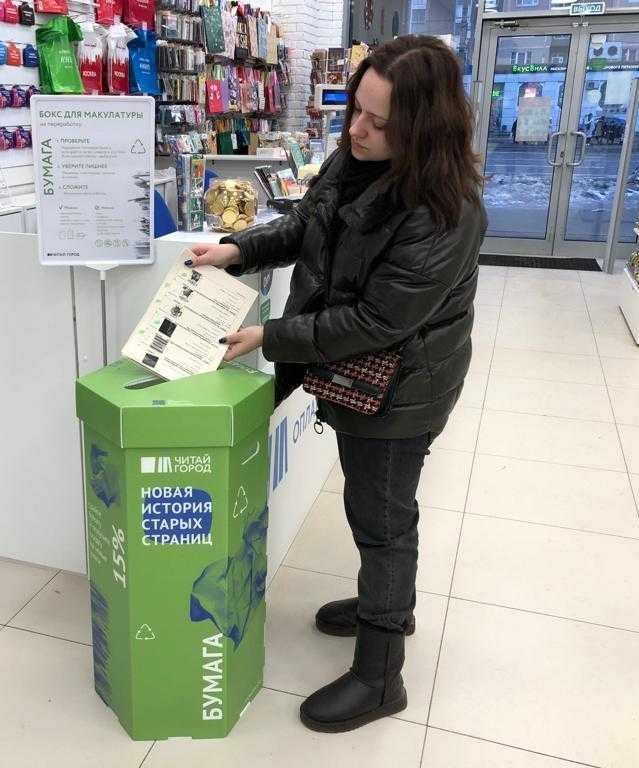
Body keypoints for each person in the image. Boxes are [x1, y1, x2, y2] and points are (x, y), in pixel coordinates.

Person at [185, 36, 487, 733]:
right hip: (359, 371)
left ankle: (381, 677)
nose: (357, 130)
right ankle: (389, 608)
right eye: (357, 110)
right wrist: (237, 250)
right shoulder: (357, 159)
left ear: (424, 130)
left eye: (380, 122)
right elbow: (305, 225)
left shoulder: (446, 211)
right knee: (372, 506)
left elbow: (378, 320)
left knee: (382, 519)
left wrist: (272, 337)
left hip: (403, 387)